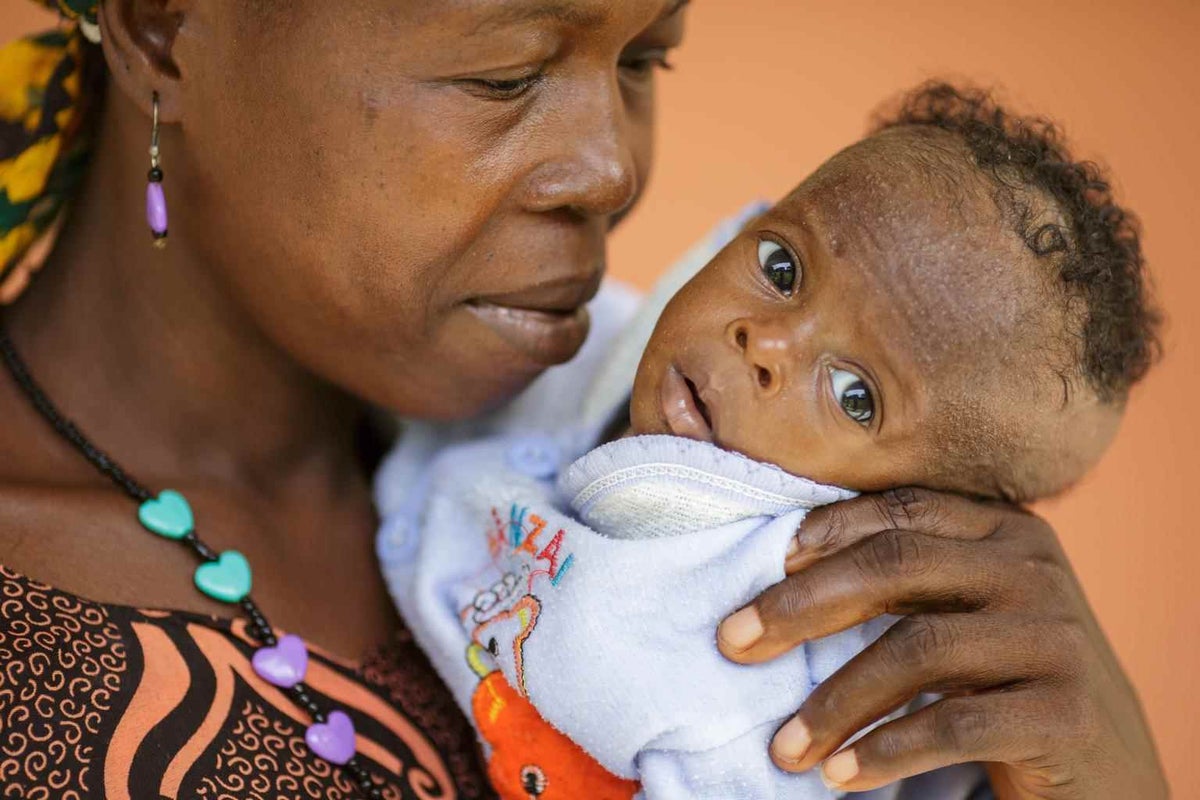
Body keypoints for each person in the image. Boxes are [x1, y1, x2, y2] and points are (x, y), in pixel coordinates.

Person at [0, 2, 1167, 799]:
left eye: (643, 58)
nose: (613, 170)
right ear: (164, 26)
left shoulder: (753, 558)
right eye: (505, 73)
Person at [376, 83, 1161, 799]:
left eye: (856, 396)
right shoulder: (579, 349)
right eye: (782, 267)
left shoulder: (786, 684)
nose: (767, 346)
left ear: (908, 510)